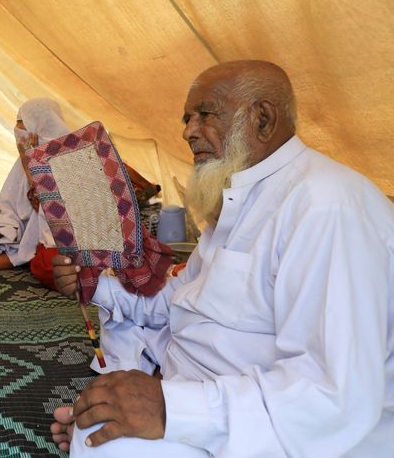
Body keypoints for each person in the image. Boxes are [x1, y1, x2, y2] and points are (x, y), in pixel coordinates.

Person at [49, 60, 393, 457]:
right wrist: (98, 287)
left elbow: (332, 395)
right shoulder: (241, 198)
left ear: (262, 118)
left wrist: (170, 408)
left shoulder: (327, 209)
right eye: (187, 118)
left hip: (280, 429)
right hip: (206, 393)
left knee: (104, 445)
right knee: (96, 425)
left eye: (205, 114)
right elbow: (179, 298)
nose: (188, 131)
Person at [0, 98, 70, 289]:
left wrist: (35, 174)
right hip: (28, 226)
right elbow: (15, 208)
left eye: (22, 125)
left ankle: (13, 257)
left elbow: (67, 218)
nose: (17, 131)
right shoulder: (27, 154)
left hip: (59, 234)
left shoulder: (68, 157)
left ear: (39, 126)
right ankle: (6, 248)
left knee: (48, 265)